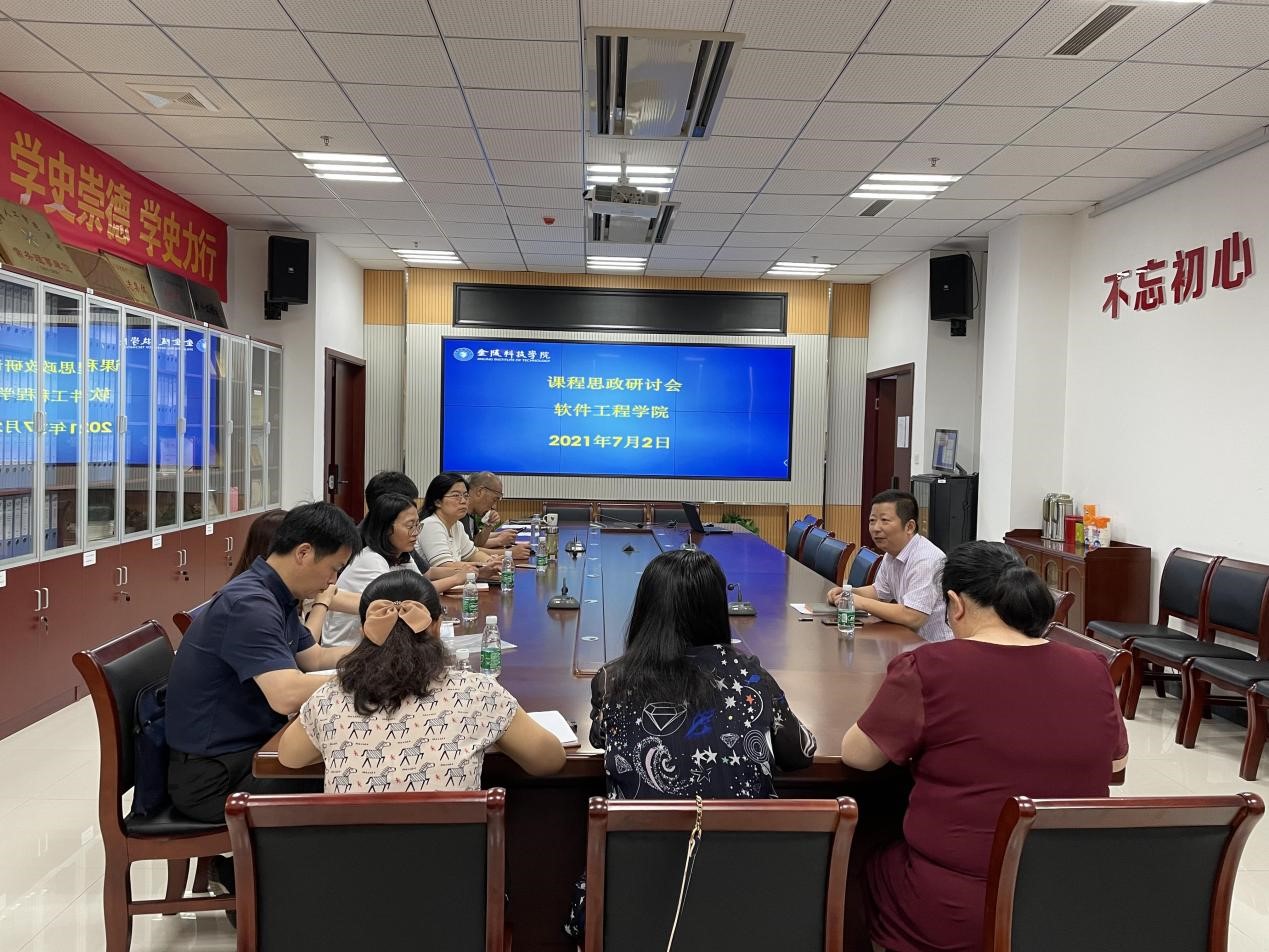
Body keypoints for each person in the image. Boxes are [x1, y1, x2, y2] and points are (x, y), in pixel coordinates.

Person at [840, 541, 1129, 952]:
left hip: (957, 912)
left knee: (858, 848)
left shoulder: (929, 666)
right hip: (1065, 904)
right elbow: (1115, 767)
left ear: (955, 604)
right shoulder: (1092, 668)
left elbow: (858, 756)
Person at [565, 548, 817, 939]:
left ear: (646, 610)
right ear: (717, 610)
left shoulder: (613, 680)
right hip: (749, 899)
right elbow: (801, 752)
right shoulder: (750, 676)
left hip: (633, 904)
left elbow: (601, 737)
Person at [166, 502, 362, 824]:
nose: (332, 582)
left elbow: (313, 658)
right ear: (303, 553)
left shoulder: (275, 594)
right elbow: (285, 694)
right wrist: (367, 675)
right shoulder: (250, 604)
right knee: (350, 768)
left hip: (243, 752)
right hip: (215, 779)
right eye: (333, 568)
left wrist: (377, 655)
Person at [279, 570, 566, 789]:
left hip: (351, 852)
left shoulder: (330, 697)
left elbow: (290, 757)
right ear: (437, 627)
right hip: (453, 853)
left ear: (363, 630)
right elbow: (549, 760)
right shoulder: (479, 694)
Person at [322, 493, 466, 648]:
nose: (416, 532)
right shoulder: (371, 559)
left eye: (418, 525)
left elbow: (421, 590)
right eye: (410, 526)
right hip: (348, 647)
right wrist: (456, 579)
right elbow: (401, 605)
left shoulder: (403, 556)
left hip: (379, 643)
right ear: (386, 529)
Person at [828, 489, 952, 643]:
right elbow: (879, 591)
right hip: (906, 641)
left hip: (934, 647)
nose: (876, 528)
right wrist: (848, 592)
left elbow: (913, 616)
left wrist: (860, 602)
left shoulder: (926, 560)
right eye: (872, 521)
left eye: (885, 520)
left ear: (909, 527)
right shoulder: (892, 552)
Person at [417, 473, 495, 572]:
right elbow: (445, 566)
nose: (463, 501)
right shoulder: (431, 525)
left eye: (466, 496)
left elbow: (474, 554)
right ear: (437, 501)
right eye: (456, 495)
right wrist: (485, 565)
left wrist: (491, 561)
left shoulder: (457, 525)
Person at [465, 471, 530, 559]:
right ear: (480, 491)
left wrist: (488, 526)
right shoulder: (459, 515)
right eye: (494, 499)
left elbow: (476, 543)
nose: (494, 507)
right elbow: (468, 552)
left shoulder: (470, 514)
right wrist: (509, 553)